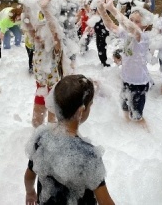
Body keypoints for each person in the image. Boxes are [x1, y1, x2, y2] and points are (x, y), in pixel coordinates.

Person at [24, 74, 115, 205]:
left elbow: (29, 175)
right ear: (81, 111)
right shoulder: (88, 155)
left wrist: (30, 192)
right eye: (90, 105)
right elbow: (105, 201)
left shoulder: (41, 138)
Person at [97, 0, 153, 120]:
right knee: (125, 110)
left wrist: (113, 9)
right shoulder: (127, 34)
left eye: (136, 21)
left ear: (145, 25)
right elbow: (111, 26)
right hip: (125, 79)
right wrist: (102, 10)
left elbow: (132, 29)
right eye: (131, 19)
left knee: (137, 117)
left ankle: (145, 135)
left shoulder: (143, 37)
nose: (131, 23)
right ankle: (128, 132)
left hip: (139, 84)